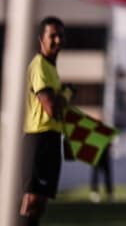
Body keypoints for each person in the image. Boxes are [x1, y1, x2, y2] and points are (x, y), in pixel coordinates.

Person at [21, 16, 73, 226]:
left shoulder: (50, 67)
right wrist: (67, 94)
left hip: (50, 139)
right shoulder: (40, 65)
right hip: (37, 140)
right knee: (31, 201)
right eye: (52, 36)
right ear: (40, 39)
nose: (58, 40)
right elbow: (51, 108)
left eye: (60, 35)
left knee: (39, 204)